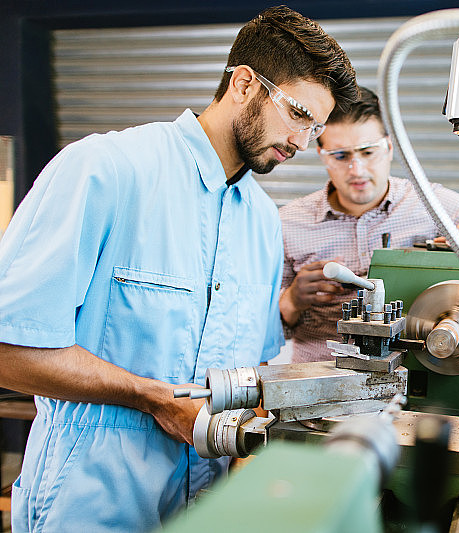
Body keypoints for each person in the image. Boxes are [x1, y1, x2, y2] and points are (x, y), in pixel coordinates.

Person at [0, 7, 358, 532]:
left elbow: (248, 366)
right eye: (299, 114)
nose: (303, 143)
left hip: (205, 507)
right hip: (91, 503)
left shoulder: (260, 219)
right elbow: (9, 351)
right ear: (243, 84)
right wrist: (152, 397)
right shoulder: (107, 170)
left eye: (317, 127)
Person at [279, 86, 459, 363]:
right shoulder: (289, 222)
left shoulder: (429, 203)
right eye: (341, 156)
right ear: (321, 154)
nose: (356, 170)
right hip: (315, 383)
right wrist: (292, 300)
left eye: (368, 152)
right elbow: (259, 330)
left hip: (408, 384)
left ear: (390, 147)